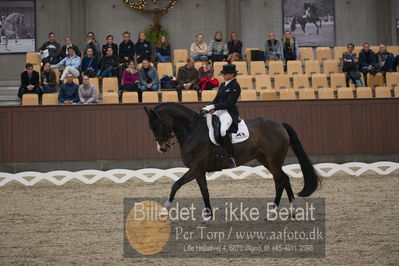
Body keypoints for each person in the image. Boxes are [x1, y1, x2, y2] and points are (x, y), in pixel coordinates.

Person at [201, 64, 241, 168]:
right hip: (219, 110)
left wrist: (214, 106)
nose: (223, 75)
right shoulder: (223, 85)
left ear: (232, 74)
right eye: (223, 73)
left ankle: (231, 157)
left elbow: (229, 103)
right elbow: (216, 99)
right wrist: (208, 106)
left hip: (228, 112)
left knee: (223, 130)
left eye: (226, 73)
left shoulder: (235, 86)